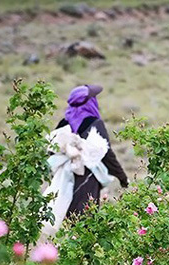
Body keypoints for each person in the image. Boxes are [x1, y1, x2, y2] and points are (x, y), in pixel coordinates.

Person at [42, 85, 128, 235]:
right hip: (87, 179)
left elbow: (51, 150)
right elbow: (107, 154)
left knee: (67, 217)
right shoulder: (94, 124)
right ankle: (84, 255)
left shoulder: (64, 123)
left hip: (64, 178)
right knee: (86, 220)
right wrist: (122, 177)